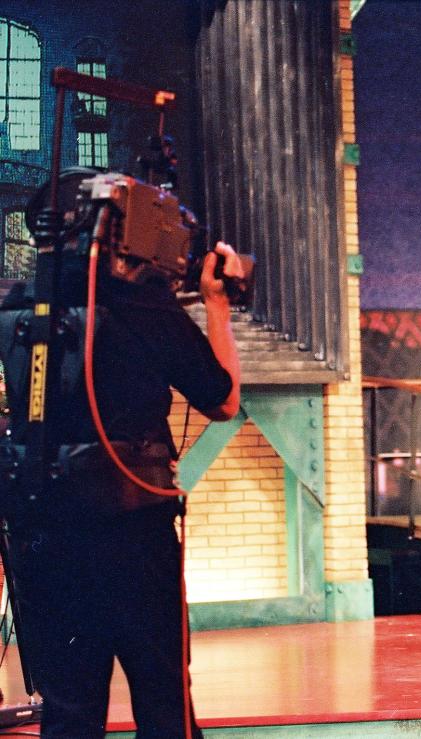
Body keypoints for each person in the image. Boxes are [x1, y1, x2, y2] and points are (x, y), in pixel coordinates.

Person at [0, 239, 242, 738]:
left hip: (42, 539)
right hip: (135, 538)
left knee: (68, 715)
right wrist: (217, 304)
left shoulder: (19, 304)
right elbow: (222, 402)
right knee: (164, 704)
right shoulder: (145, 306)